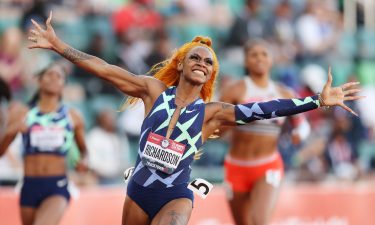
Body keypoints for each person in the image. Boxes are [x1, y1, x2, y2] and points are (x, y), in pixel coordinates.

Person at [28, 12, 362, 225]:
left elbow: (265, 109)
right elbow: (104, 69)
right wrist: (59, 46)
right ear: (182, 63)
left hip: (175, 195)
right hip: (138, 189)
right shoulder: (153, 90)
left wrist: (316, 100)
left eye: (209, 61)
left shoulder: (211, 113)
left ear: (212, 73)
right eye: (196, 57)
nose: (202, 61)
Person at [220, 40, 312, 225]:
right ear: (246, 61)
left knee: (259, 221)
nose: (259, 58)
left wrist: (298, 135)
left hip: (268, 166)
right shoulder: (234, 90)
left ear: (272, 60)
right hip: (236, 167)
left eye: (264, 54)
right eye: (254, 55)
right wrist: (239, 119)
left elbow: (303, 125)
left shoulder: (285, 94)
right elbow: (216, 127)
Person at [0, 63, 88, 225]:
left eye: (59, 76)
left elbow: (84, 151)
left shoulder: (73, 116)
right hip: (29, 186)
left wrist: (84, 161)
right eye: (49, 74)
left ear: (64, 85)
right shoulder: (22, 112)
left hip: (56, 186)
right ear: (39, 81)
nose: (54, 78)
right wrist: (11, 131)